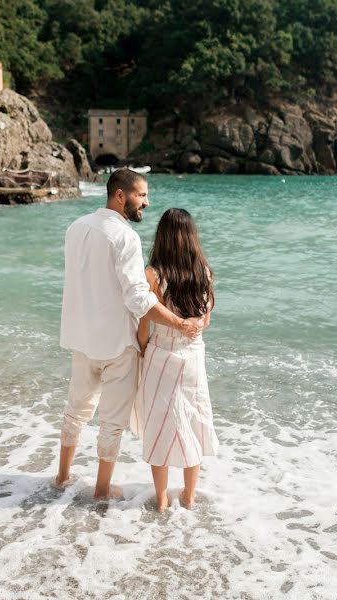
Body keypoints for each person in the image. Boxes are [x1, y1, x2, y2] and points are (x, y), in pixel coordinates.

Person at [56, 169, 203, 500]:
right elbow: (139, 299)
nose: (147, 203)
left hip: (81, 337)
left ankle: (62, 476)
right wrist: (180, 325)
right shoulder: (125, 237)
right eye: (141, 195)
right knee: (111, 422)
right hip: (117, 344)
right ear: (119, 195)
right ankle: (102, 490)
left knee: (75, 409)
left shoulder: (75, 228)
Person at [133, 208, 218, 511]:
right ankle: (190, 497)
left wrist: (142, 349)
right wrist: (191, 328)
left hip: (162, 355)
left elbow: (145, 322)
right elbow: (204, 320)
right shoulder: (205, 273)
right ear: (192, 237)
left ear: (162, 237)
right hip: (194, 355)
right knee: (192, 423)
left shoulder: (152, 275)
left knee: (160, 426)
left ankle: (161, 501)